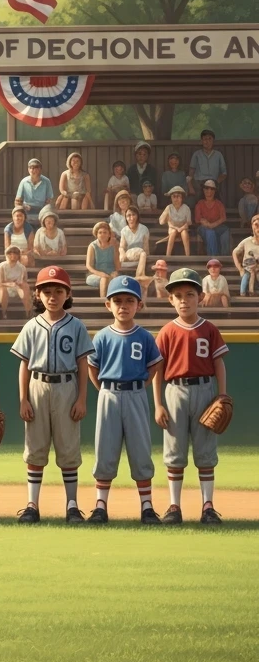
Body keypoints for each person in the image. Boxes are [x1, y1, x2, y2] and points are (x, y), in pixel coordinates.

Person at [12, 266, 92, 524]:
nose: (52, 296)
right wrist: (23, 398)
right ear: (37, 294)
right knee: (35, 448)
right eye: (47, 291)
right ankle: (32, 505)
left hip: (66, 386)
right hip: (37, 385)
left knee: (68, 448)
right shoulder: (31, 326)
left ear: (68, 294)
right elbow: (24, 365)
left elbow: (83, 364)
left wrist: (81, 398)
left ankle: (71, 505)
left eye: (59, 290)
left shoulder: (77, 325)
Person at [153, 267, 229, 525]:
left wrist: (222, 395)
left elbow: (219, 364)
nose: (184, 300)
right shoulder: (166, 331)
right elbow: (158, 370)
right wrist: (158, 404)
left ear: (201, 297)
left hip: (205, 390)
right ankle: (174, 507)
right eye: (178, 295)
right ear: (170, 299)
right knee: (174, 452)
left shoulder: (209, 329)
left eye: (190, 294)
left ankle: (208, 507)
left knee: (206, 451)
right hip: (175, 390)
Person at [87, 275, 162, 524]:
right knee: (105, 449)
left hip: (136, 393)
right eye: (117, 300)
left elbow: (154, 367)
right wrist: (104, 390)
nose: (123, 305)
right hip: (109, 393)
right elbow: (92, 368)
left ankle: (147, 506)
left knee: (140, 449)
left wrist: (140, 387)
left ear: (139, 305)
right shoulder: (101, 337)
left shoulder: (145, 337)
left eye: (130, 300)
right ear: (108, 304)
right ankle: (100, 506)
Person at [187, 130, 227, 201]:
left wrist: (216, 183)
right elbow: (191, 172)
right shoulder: (197, 154)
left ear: (213, 141)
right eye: (205, 139)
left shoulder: (218, 155)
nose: (207, 141)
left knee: (216, 205)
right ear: (201, 141)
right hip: (199, 184)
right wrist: (190, 186)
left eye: (209, 139)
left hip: (213, 183)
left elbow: (224, 173)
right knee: (198, 205)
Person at [194, 179, 230, 256]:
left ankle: (225, 256)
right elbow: (198, 219)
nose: (209, 190)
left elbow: (223, 218)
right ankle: (214, 257)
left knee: (225, 231)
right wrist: (208, 225)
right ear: (203, 189)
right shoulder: (200, 203)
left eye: (212, 188)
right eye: (206, 188)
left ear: (215, 191)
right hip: (203, 227)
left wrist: (212, 225)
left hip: (216, 226)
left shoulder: (219, 204)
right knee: (210, 232)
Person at [85, 221, 119, 299]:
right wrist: (101, 274)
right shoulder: (92, 246)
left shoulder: (113, 246)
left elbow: (117, 264)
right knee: (104, 279)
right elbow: (89, 266)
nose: (102, 234)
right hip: (95, 274)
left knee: (115, 279)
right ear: (96, 234)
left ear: (109, 234)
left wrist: (115, 272)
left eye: (105, 232)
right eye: (100, 232)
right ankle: (103, 302)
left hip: (111, 273)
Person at [0, 245, 31, 318]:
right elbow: (0, 282)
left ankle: (28, 312)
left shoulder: (22, 267)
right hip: (4, 288)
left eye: (15, 253)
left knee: (25, 286)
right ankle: (4, 313)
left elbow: (24, 281)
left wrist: (18, 284)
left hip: (18, 288)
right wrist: (9, 283)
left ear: (18, 255)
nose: (13, 255)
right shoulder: (2, 266)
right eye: (10, 253)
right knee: (3, 289)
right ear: (6, 254)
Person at [118, 206, 150, 282]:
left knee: (143, 254)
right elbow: (121, 247)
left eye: (133, 215)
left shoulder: (144, 229)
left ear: (137, 216)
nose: (131, 218)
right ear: (126, 218)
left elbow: (146, 247)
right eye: (129, 215)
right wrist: (122, 254)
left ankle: (139, 275)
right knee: (143, 254)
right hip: (129, 255)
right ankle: (140, 276)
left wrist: (146, 255)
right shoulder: (124, 230)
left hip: (142, 255)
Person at [159, 186, 191, 256]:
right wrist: (166, 215)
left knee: (184, 233)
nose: (176, 199)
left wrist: (181, 228)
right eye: (174, 196)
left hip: (183, 228)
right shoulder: (169, 207)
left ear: (182, 198)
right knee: (173, 232)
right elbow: (161, 222)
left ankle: (187, 256)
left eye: (178, 196)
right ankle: (168, 255)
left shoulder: (186, 208)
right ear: (171, 198)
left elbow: (188, 222)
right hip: (172, 228)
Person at [232, 213, 259, 296]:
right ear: (252, 226)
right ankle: (243, 292)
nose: (258, 228)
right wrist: (240, 269)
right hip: (248, 267)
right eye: (256, 225)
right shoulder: (247, 241)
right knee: (246, 276)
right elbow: (235, 252)